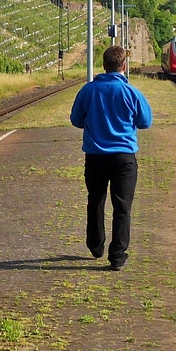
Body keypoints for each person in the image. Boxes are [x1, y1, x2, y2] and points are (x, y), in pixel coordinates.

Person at [70, 45, 153, 271]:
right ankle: (117, 256)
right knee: (122, 206)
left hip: (95, 156)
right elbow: (145, 121)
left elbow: (76, 120)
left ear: (104, 66)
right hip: (124, 157)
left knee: (95, 200)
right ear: (123, 66)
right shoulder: (132, 93)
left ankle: (95, 245)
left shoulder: (88, 91)